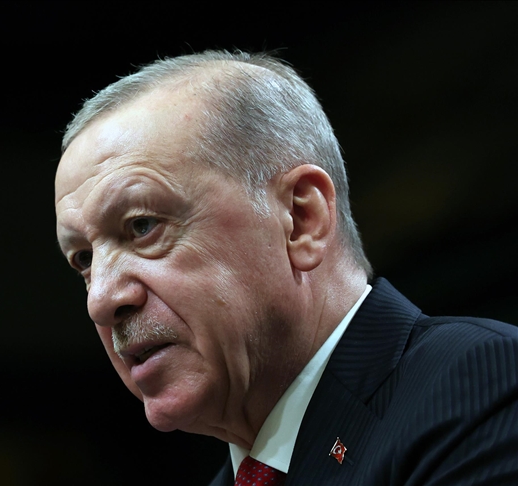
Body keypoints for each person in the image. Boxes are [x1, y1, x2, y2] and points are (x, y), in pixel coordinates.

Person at [54, 50, 517, 485]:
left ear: (301, 220)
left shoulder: (482, 388)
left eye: (142, 226)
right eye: (84, 260)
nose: (101, 300)